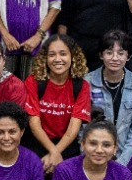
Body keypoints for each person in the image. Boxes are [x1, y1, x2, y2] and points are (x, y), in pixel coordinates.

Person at [22, 34, 92, 172]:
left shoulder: (81, 86)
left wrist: (56, 153)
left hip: (65, 144)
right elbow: (34, 124)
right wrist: (53, 152)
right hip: (36, 141)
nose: (58, 59)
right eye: (52, 55)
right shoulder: (33, 81)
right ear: (45, 59)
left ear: (72, 57)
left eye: (63, 54)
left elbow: (73, 128)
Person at [84, 30, 132, 163]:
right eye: (109, 52)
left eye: (121, 53)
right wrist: (91, 154)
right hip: (94, 153)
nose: (115, 58)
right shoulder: (87, 83)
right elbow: (82, 125)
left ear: (128, 56)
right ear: (101, 55)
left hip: (125, 155)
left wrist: (123, 161)